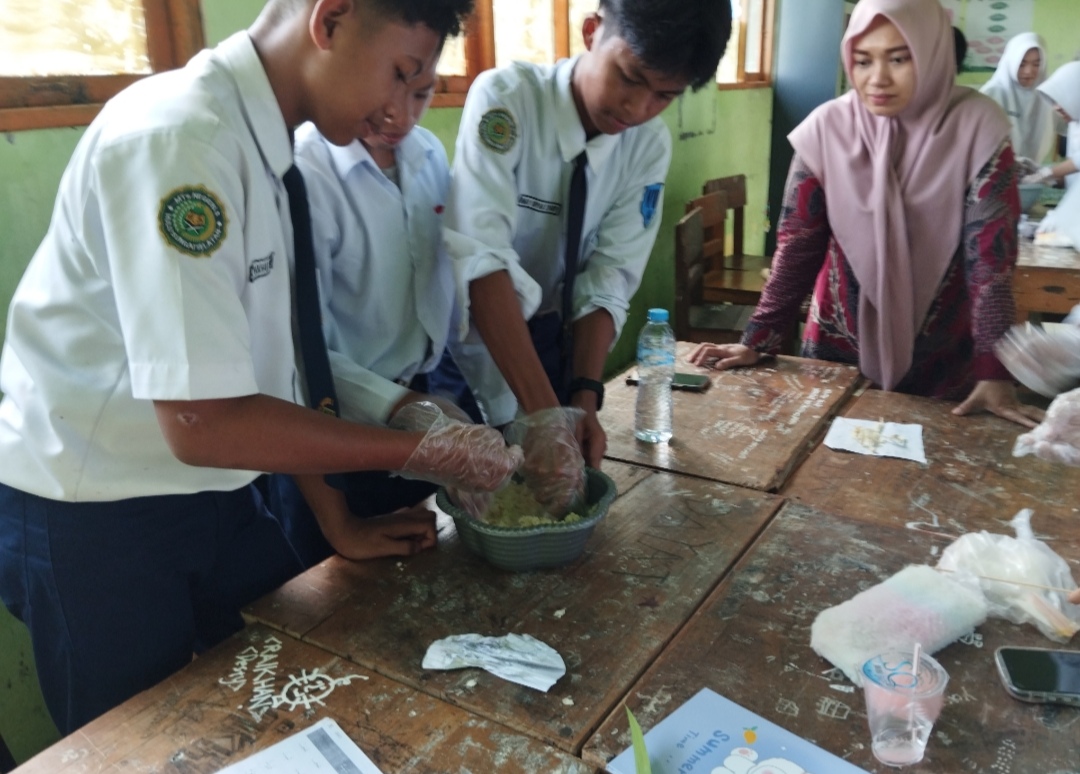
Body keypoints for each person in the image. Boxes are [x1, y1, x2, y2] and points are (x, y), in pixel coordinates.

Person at [0, 0, 524, 735]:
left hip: (218, 490)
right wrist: (416, 451)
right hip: (94, 511)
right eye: (399, 72)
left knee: (287, 695)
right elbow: (203, 420)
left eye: (420, 86)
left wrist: (343, 509)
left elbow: (278, 366)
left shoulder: (269, 147)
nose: (398, 108)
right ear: (330, 20)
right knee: (133, 744)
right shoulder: (183, 138)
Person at [689, 0, 1043, 429]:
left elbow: (990, 261)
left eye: (899, 59)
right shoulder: (827, 129)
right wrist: (757, 340)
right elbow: (798, 246)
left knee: (931, 457)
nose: (877, 79)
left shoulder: (978, 127)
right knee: (824, 455)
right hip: (839, 343)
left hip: (944, 352)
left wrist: (994, 373)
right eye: (862, 60)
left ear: (932, 54)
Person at [439, 0, 732, 509]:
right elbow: (481, 261)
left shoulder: (646, 144)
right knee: (467, 500)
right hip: (473, 336)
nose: (637, 108)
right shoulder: (507, 99)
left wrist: (583, 397)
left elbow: (609, 273)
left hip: (554, 337)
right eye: (629, 77)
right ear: (592, 31)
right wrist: (546, 417)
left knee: (548, 495)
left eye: (664, 96)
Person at [274, 41, 469, 567]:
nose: (400, 116)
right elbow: (296, 353)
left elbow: (443, 290)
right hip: (327, 424)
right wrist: (401, 407)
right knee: (334, 583)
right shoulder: (304, 170)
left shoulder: (428, 155)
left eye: (422, 94)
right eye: (387, 92)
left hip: (418, 403)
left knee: (425, 559)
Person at [980, 33, 1055, 168]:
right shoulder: (991, 93)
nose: (1028, 71)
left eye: (1036, 64)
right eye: (1021, 64)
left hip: (1032, 169)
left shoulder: (1046, 93)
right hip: (995, 169)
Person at [1026, 61, 1080, 189]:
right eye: (1054, 101)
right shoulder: (1074, 122)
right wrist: (1049, 180)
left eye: (1063, 98)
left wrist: (1046, 174)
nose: (1056, 108)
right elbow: (1073, 175)